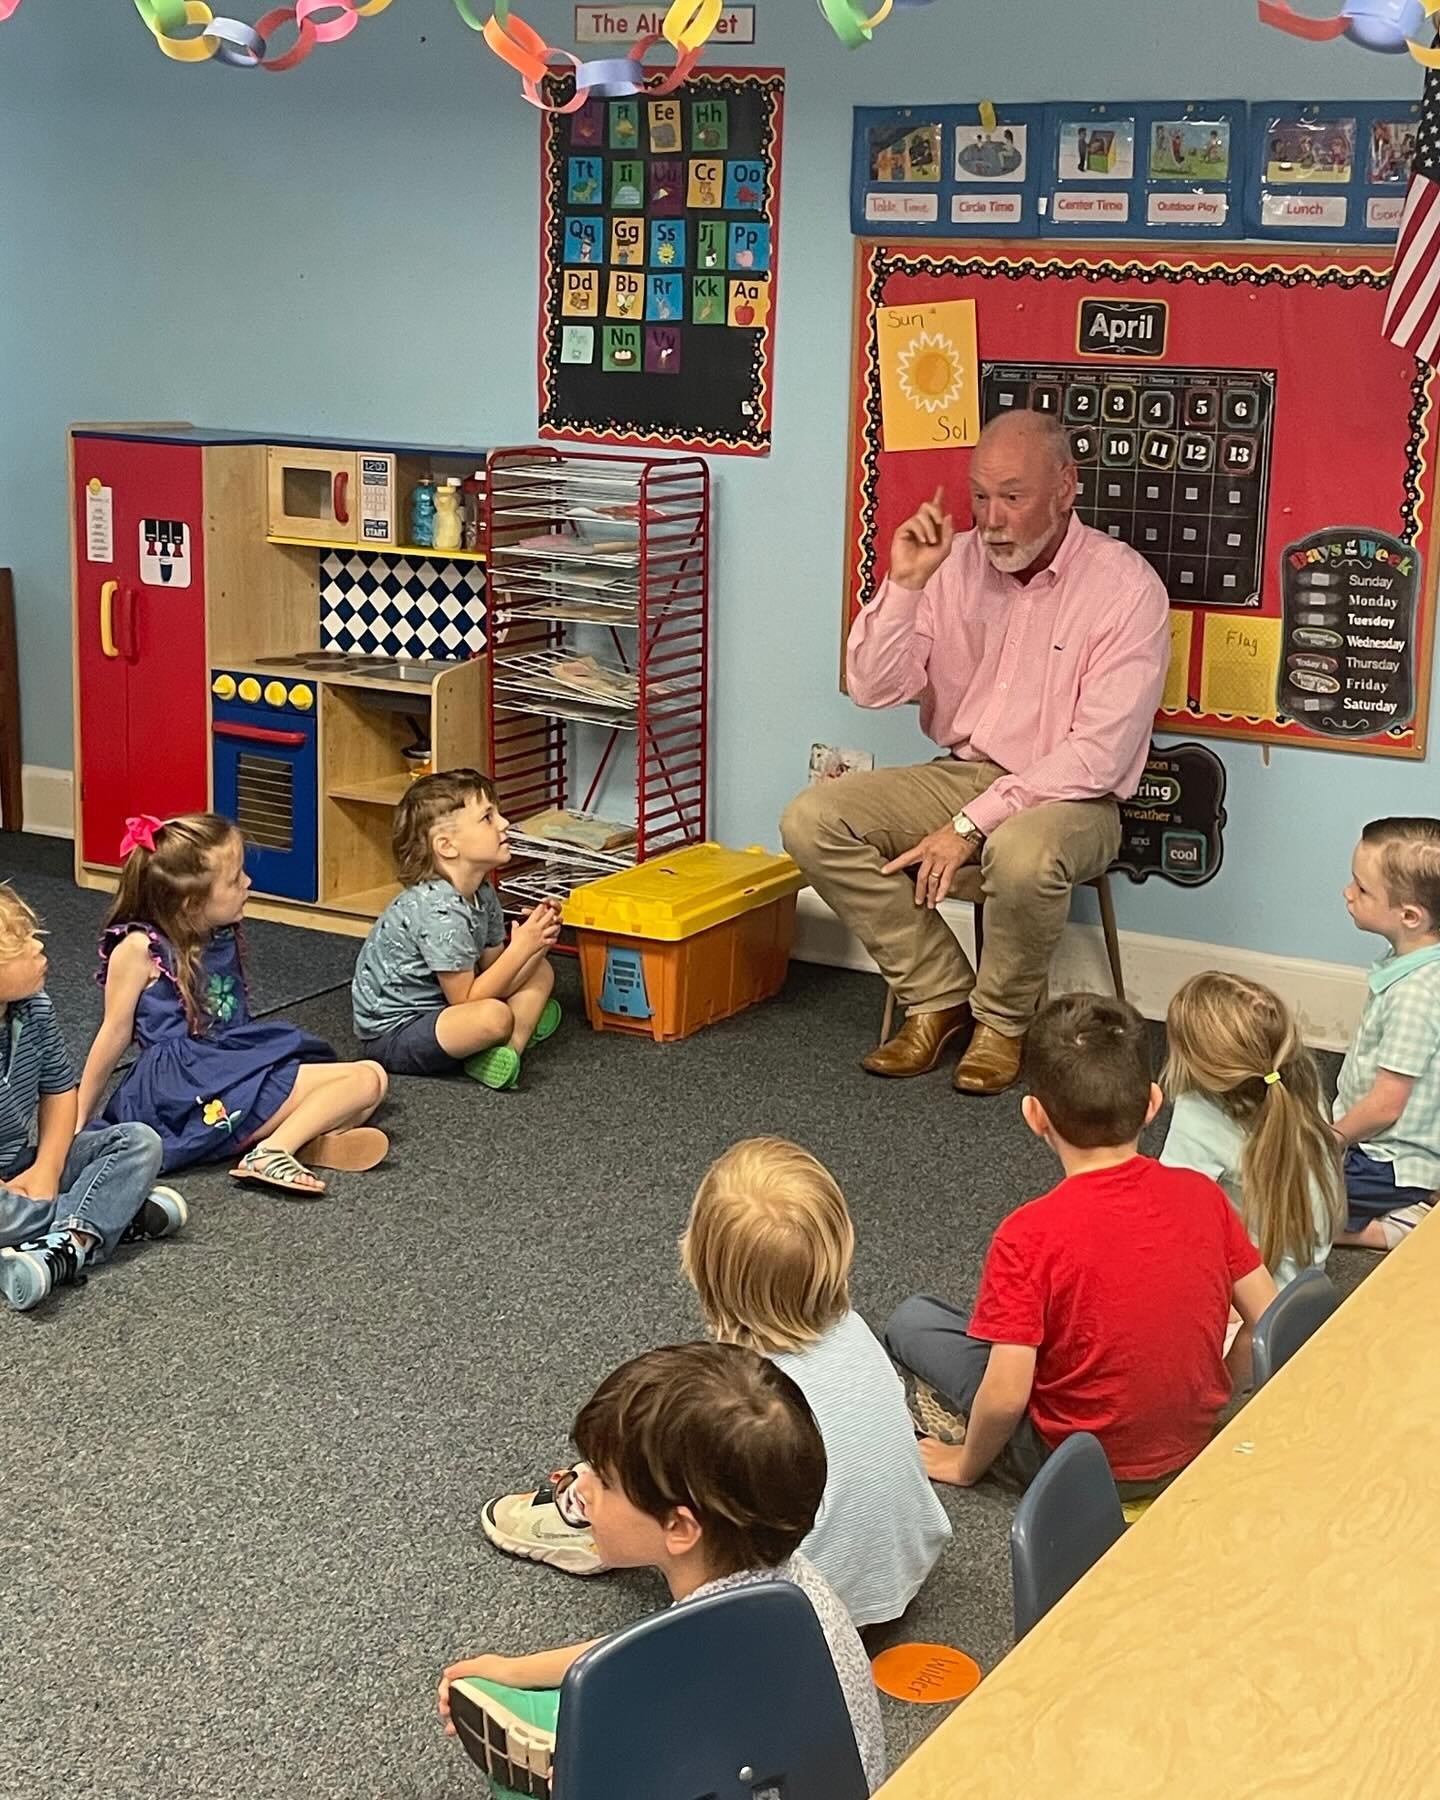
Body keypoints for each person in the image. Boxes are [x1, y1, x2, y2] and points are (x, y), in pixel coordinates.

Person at [781, 408, 1169, 1095]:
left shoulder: (1125, 588)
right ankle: (938, 994)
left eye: (1012, 497)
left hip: (1073, 798)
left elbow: (1099, 757)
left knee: (1021, 852)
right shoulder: (951, 564)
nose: (991, 518)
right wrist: (904, 584)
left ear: (1065, 487)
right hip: (965, 773)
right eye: (980, 495)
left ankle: (1003, 1023)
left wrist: (969, 826)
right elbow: (871, 689)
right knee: (812, 820)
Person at [481, 1137, 951, 1628]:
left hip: (796, 1615)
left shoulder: (739, 1396)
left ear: (699, 1263)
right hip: (900, 1567)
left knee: (656, 1463)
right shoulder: (854, 1331)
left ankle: (590, 1517)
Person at [439, 1344, 886, 1798]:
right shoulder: (784, 1583)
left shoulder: (697, 1678)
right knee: (562, 1700)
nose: (580, 1488)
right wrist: (512, 1670)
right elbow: (639, 1650)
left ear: (678, 1527)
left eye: (603, 1481)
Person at [885, 994, 1278, 1496]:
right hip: (1191, 1449)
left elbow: (1006, 1397)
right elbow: (1266, 1316)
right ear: (1153, 1103)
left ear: (1034, 1116)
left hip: (1078, 1469)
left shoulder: (1027, 1234)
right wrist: (1211, 1401)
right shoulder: (1203, 1195)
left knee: (915, 1319)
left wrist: (965, 1466)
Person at [78, 813, 388, 1198]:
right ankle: (272, 1152)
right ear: (192, 904)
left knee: (374, 1074)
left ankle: (293, 1141)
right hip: (186, 1084)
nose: (248, 883)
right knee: (364, 1080)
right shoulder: (140, 949)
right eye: (235, 878)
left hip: (228, 1059)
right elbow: (113, 1034)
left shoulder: (215, 929)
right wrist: (76, 1120)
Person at [0, 882, 185, 1313]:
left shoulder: (36, 1008)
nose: (38, 948)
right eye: (18, 944)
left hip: (21, 1169)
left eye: (32, 936)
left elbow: (61, 1093)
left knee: (138, 1142)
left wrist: (47, 1169)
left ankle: (66, 1240)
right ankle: (105, 1220)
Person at [351, 769, 561, 1091]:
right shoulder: (439, 910)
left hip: (448, 1007)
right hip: (397, 1032)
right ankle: (510, 1031)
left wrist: (537, 941)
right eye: (487, 818)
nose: (504, 824)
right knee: (494, 1017)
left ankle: (507, 1051)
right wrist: (520, 948)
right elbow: (466, 1000)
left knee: (542, 970)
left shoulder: (483, 891)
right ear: (447, 846)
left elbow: (494, 971)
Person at [1161, 972, 1343, 1288]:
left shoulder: (1197, 1114)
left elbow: (1171, 1214)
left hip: (1251, 1293)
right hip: (1306, 1275)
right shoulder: (1299, 1082)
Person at [1332, 817, 1440, 1251]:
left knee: (1288, 1212)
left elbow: (1386, 1105)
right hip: (1381, 1145)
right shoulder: (1412, 965)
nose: (1348, 892)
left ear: (1410, 916)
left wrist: (1332, 1137)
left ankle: (1404, 1224)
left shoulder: (1416, 995)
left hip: (1389, 1159)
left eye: (1362, 888)